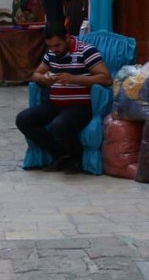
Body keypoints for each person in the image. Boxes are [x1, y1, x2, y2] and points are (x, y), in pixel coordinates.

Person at [15, 21, 111, 173]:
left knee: (58, 126)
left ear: (67, 38)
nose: (54, 50)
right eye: (50, 46)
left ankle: (76, 156)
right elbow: (36, 74)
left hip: (80, 106)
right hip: (56, 105)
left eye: (57, 45)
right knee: (23, 119)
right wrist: (44, 79)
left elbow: (106, 78)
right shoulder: (51, 54)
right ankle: (62, 154)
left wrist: (75, 79)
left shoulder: (86, 51)